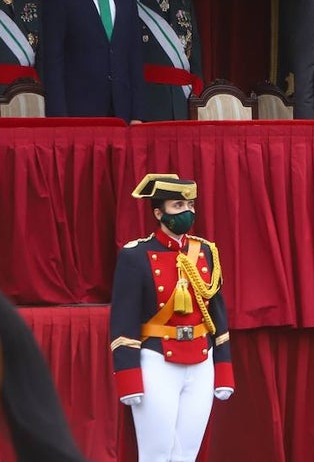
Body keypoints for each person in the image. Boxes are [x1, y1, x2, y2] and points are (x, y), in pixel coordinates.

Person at [110, 173, 235, 462]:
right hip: (157, 359)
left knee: (186, 454)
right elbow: (124, 319)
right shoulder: (135, 255)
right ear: (159, 213)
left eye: (190, 205)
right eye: (178, 206)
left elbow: (217, 313)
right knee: (156, 454)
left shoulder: (206, 251)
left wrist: (224, 368)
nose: (186, 211)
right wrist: (128, 377)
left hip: (201, 359)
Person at [133, 0, 203, 121]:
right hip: (148, 100)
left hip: (183, 100)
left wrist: (197, 97)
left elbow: (195, 54)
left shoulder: (184, 1)